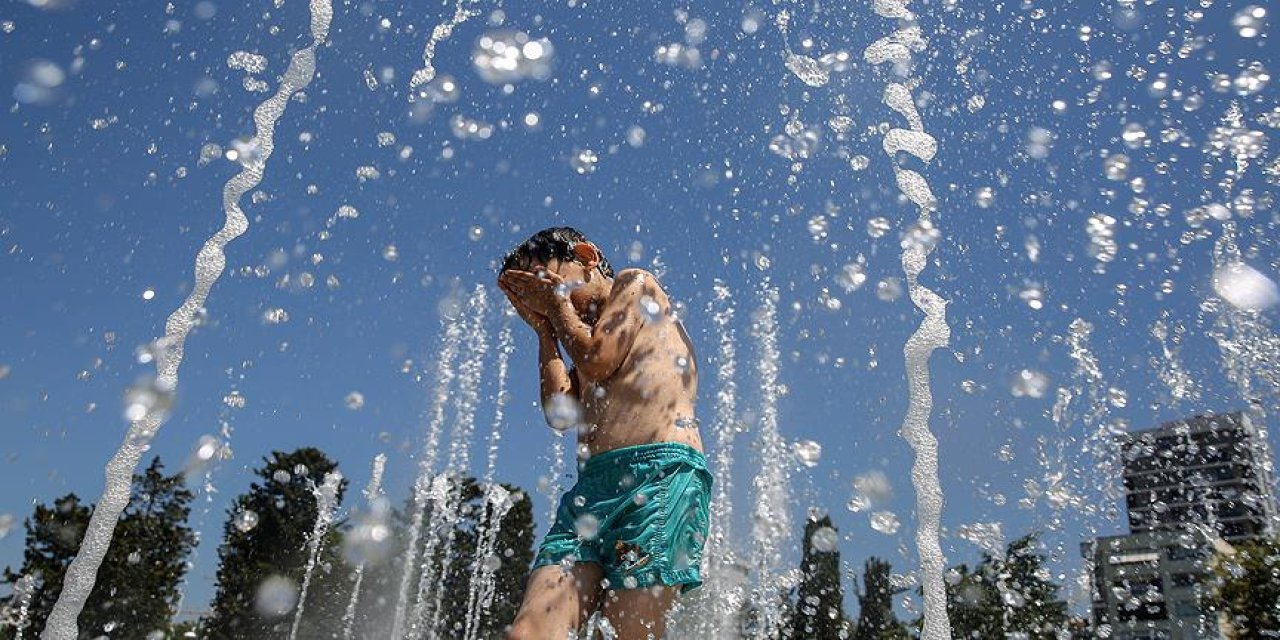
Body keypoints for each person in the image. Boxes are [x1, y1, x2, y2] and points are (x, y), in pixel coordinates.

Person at [496, 227, 711, 640]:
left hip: (659, 477)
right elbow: (560, 413)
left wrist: (558, 308)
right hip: (593, 489)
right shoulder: (582, 335)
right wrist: (545, 331)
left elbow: (598, 360)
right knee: (529, 633)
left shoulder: (635, 284)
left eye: (546, 282)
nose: (543, 298)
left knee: (627, 633)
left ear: (586, 256)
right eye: (530, 296)